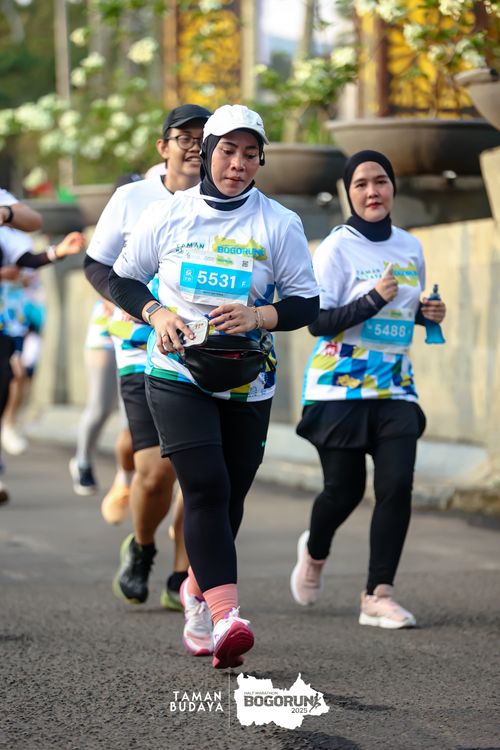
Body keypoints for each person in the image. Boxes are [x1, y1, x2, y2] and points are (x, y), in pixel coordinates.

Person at [109, 104, 320, 669]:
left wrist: (259, 316)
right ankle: (227, 617)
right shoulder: (170, 214)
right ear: (207, 153)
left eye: (251, 154)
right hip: (176, 370)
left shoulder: (278, 223)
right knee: (204, 486)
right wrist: (156, 312)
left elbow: (306, 302)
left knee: (230, 498)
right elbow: (121, 278)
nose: (238, 164)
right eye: (228, 151)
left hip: (248, 378)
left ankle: (197, 593)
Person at [290, 150, 446, 629]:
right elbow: (318, 322)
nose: (372, 191)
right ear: (348, 193)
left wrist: (425, 314)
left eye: (381, 181)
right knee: (343, 491)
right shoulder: (337, 248)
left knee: (396, 486)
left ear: (393, 187)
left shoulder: (410, 246)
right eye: (361, 184)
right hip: (340, 386)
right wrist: (373, 299)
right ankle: (315, 551)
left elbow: (402, 309)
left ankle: (378, 594)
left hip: (395, 385)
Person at [84, 104, 212, 610]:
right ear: (164, 146)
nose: (195, 146)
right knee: (157, 472)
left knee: (196, 473)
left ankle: (182, 575)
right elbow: (96, 265)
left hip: (204, 350)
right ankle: (141, 548)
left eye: (205, 137)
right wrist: (136, 304)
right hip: (139, 346)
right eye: (185, 137)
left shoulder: (227, 201)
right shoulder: (132, 197)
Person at [0, 225, 85, 503]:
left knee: (13, 375)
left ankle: (8, 423)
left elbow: (28, 262)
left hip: (10, 321)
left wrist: (58, 251)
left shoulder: (10, 234)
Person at [68, 298, 134, 505]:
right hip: (108, 331)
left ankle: (125, 474)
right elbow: (97, 277)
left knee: (131, 410)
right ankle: (83, 461)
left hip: (140, 330)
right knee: (100, 406)